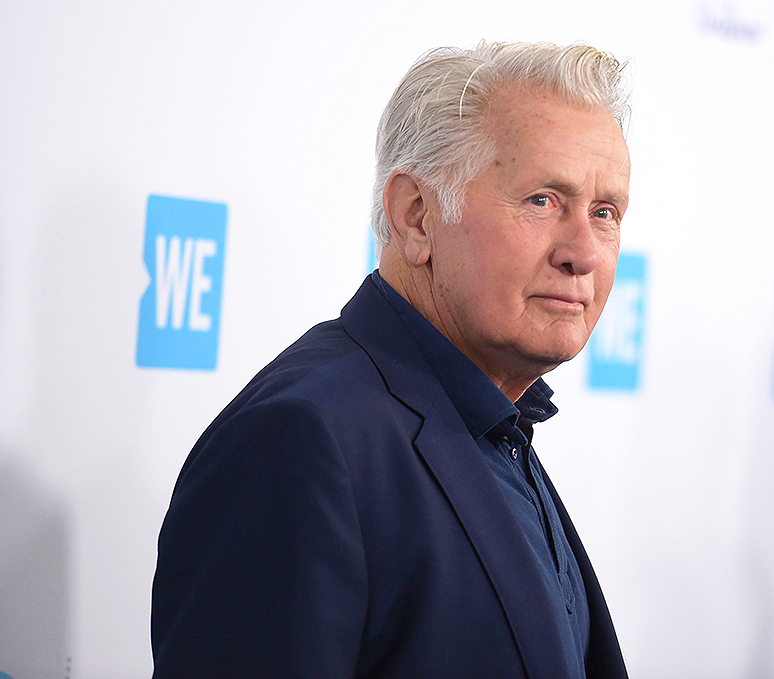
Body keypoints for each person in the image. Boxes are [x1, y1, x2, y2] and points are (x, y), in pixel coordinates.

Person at [151, 40, 631, 678]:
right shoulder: (301, 442)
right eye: (542, 200)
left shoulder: (496, 423)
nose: (584, 252)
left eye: (604, 213)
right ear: (416, 217)